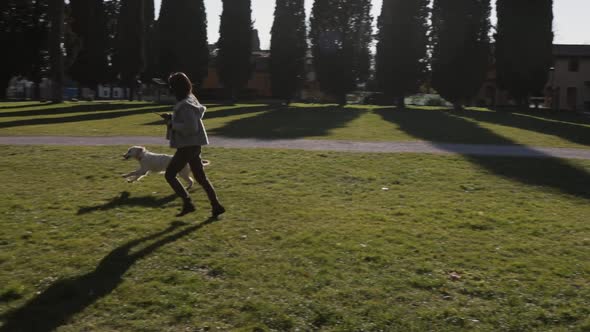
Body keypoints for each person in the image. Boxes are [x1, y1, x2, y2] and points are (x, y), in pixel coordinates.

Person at [162, 72, 225, 217]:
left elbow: (191, 128)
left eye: (171, 86)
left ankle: (188, 203)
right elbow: (190, 121)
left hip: (188, 146)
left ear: (176, 87)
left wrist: (172, 123)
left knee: (170, 175)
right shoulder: (190, 99)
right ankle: (216, 206)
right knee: (200, 177)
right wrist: (172, 118)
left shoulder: (185, 105)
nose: (170, 89)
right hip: (194, 145)